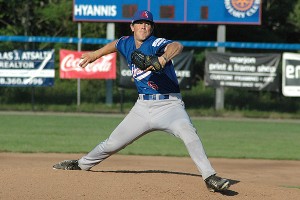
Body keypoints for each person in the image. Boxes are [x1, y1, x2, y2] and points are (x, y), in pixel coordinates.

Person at [53, 10, 230, 192]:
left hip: (170, 106)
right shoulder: (126, 42)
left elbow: (177, 46)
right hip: (143, 107)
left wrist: (162, 59)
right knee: (112, 143)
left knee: (189, 133)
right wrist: (95, 55)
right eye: (139, 22)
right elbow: (116, 44)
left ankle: (210, 177)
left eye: (147, 23)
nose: (143, 26)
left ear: (152, 28)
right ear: (132, 26)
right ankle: (82, 164)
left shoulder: (156, 43)